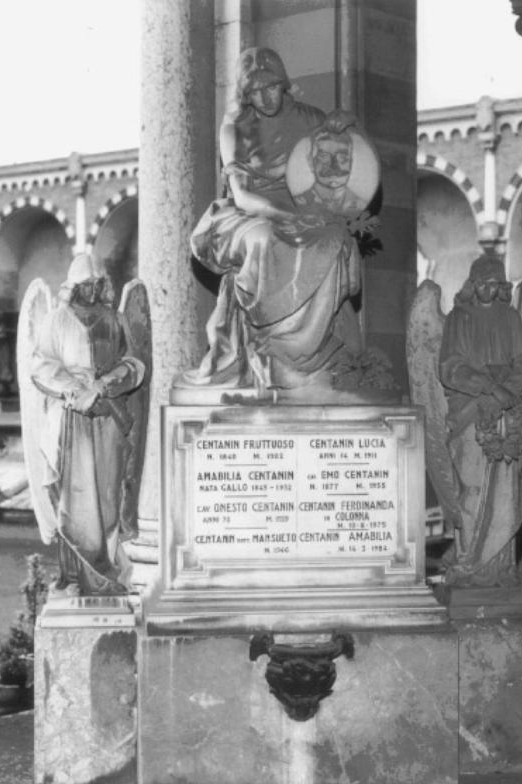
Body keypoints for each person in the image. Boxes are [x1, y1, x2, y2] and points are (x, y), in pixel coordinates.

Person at [182, 47, 376, 395]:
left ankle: (306, 351)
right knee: (265, 239)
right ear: (244, 93)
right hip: (247, 213)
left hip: (302, 205)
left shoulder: (309, 117)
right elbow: (242, 197)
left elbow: (349, 162)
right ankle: (273, 344)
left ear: (284, 85)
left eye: (270, 87)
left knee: (338, 242)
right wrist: (290, 218)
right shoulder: (235, 129)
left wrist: (348, 125)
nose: (263, 96)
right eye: (254, 90)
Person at [30, 255, 145, 595]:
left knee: (107, 496)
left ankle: (106, 574)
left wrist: (108, 382)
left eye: (98, 284)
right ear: (74, 286)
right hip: (72, 420)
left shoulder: (116, 319)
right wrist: (76, 389)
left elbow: (135, 361)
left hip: (108, 417)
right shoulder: (56, 320)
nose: (93, 291)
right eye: (86, 285)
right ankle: (75, 576)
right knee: (73, 499)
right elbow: (41, 366)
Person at [438, 254, 522, 586]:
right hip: (471, 413)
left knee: (506, 490)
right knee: (472, 486)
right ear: (472, 284)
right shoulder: (458, 318)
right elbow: (449, 367)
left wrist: (506, 389)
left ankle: (499, 567)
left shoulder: (509, 317)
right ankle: (468, 560)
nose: (489, 289)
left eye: (495, 284)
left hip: (506, 414)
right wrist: (487, 387)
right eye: (483, 283)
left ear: (502, 287)